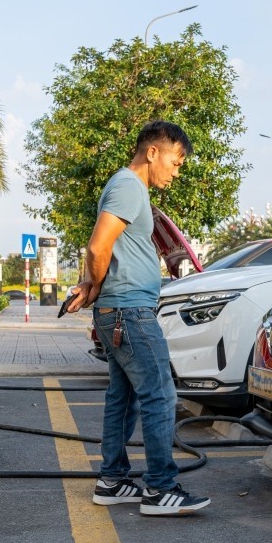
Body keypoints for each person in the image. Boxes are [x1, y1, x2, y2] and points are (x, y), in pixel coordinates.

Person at [64, 121, 210, 516]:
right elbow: (98, 245)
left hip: (120, 310)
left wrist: (92, 286)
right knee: (160, 394)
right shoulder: (129, 186)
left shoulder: (128, 188)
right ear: (152, 153)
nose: (176, 171)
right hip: (129, 312)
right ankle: (160, 489)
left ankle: (112, 480)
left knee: (123, 398)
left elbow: (105, 250)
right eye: (176, 162)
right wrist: (94, 284)